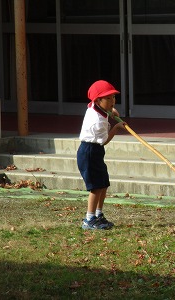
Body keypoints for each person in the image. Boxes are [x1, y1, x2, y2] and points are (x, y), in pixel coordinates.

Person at [77, 80, 126, 230]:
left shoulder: (95, 106)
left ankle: (99, 214)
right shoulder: (97, 121)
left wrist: (111, 111)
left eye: (113, 97)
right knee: (96, 187)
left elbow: (104, 109)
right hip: (89, 152)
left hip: (96, 152)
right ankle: (89, 219)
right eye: (109, 98)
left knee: (103, 184)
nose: (113, 101)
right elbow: (104, 140)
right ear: (98, 100)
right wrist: (116, 127)